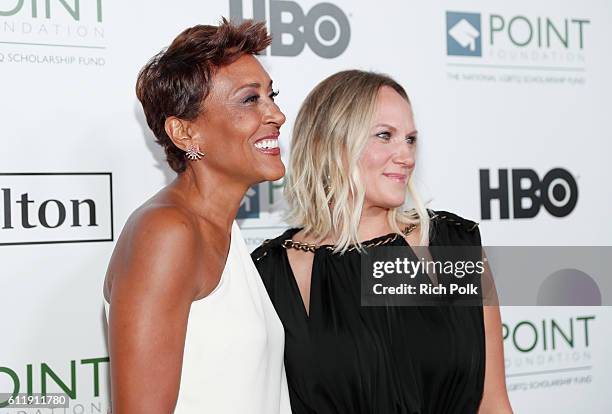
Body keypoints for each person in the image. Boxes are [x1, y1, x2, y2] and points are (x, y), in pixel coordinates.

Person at [251, 70, 513, 413]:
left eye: (410, 139)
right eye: (384, 135)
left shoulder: (452, 245)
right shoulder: (273, 272)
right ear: (330, 143)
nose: (406, 155)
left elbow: (492, 403)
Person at [103, 19, 291, 414]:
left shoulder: (222, 230)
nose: (277, 115)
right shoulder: (166, 232)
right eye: (249, 100)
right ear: (185, 134)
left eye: (271, 96)